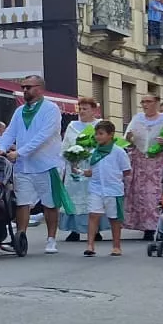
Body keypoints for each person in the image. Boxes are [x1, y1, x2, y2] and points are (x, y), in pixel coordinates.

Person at [0, 75, 65, 255]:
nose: (25, 90)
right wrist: (0, 148)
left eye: (28, 87)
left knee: (50, 204)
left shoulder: (51, 109)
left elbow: (43, 137)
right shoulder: (19, 111)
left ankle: (51, 239)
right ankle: (20, 238)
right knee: (22, 202)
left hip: (47, 164)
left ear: (40, 89)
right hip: (24, 166)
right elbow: (10, 132)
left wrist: (19, 152)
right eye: (23, 87)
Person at [80, 120, 131, 257]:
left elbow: (126, 170)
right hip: (96, 188)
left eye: (101, 134)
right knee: (93, 215)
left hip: (113, 190)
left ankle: (116, 246)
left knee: (114, 219)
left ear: (111, 135)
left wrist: (115, 177)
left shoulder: (118, 152)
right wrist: (83, 172)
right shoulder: (93, 153)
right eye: (96, 134)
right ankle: (90, 245)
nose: (98, 137)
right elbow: (91, 171)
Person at [124, 94, 163, 239]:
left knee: (156, 192)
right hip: (141, 160)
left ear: (156, 102)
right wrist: (130, 138)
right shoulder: (138, 118)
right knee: (141, 194)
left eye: (148, 102)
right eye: (143, 102)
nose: (145, 104)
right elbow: (127, 138)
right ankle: (146, 227)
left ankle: (158, 225)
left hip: (159, 160)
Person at [59, 96, 101, 244]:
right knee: (74, 197)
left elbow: (105, 145)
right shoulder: (72, 126)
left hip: (93, 167)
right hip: (75, 167)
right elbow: (65, 145)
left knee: (93, 197)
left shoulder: (100, 125)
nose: (82, 112)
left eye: (85, 109)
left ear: (93, 110)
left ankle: (95, 229)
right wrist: (70, 155)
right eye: (80, 109)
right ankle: (75, 229)